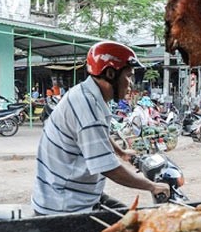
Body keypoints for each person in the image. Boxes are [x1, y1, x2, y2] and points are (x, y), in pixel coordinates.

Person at [32, 41, 170, 215]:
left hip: (75, 193)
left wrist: (122, 153)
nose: (131, 84)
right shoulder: (87, 107)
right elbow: (108, 168)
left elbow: (99, 133)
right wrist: (152, 186)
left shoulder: (88, 95)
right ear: (110, 74)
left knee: (131, 220)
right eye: (128, 76)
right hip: (64, 206)